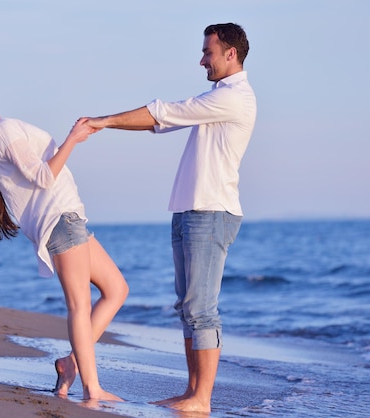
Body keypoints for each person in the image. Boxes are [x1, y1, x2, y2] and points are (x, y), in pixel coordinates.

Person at [84, 23, 257, 413]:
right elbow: (165, 120)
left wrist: (104, 121)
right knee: (187, 307)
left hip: (211, 212)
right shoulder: (219, 95)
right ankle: (191, 391)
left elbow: (167, 113)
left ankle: (202, 399)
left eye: (207, 53)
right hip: (189, 209)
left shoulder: (236, 98)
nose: (202, 60)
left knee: (202, 308)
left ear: (230, 53)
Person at [0, 91, 129, 402]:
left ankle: (70, 364)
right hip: (59, 220)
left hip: (69, 217)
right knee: (79, 306)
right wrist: (73, 138)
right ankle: (91, 388)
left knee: (116, 289)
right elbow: (43, 177)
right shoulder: (1, 132)